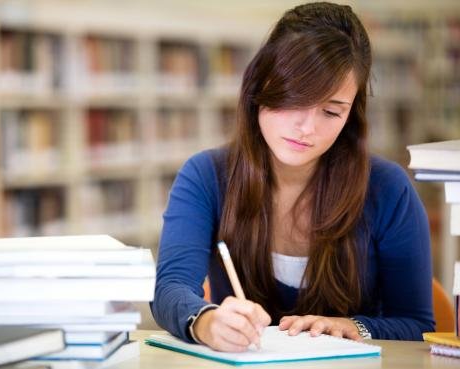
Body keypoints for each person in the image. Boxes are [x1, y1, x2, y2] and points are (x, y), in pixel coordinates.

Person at [150, 1, 434, 352]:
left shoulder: (388, 189)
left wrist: (354, 326)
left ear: (351, 115)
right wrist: (207, 322)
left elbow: (417, 324)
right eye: (295, 99)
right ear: (260, 86)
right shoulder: (206, 176)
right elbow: (169, 289)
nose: (307, 128)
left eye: (331, 111)